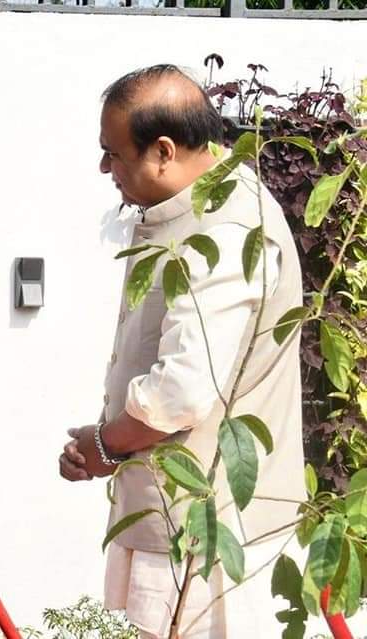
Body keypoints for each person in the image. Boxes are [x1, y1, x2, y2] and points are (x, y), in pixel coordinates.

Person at [58, 65, 305, 638]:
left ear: (163, 151)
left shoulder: (224, 230)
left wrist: (103, 446)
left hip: (204, 528)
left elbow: (181, 392)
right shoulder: (203, 203)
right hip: (176, 516)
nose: (105, 168)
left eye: (113, 153)